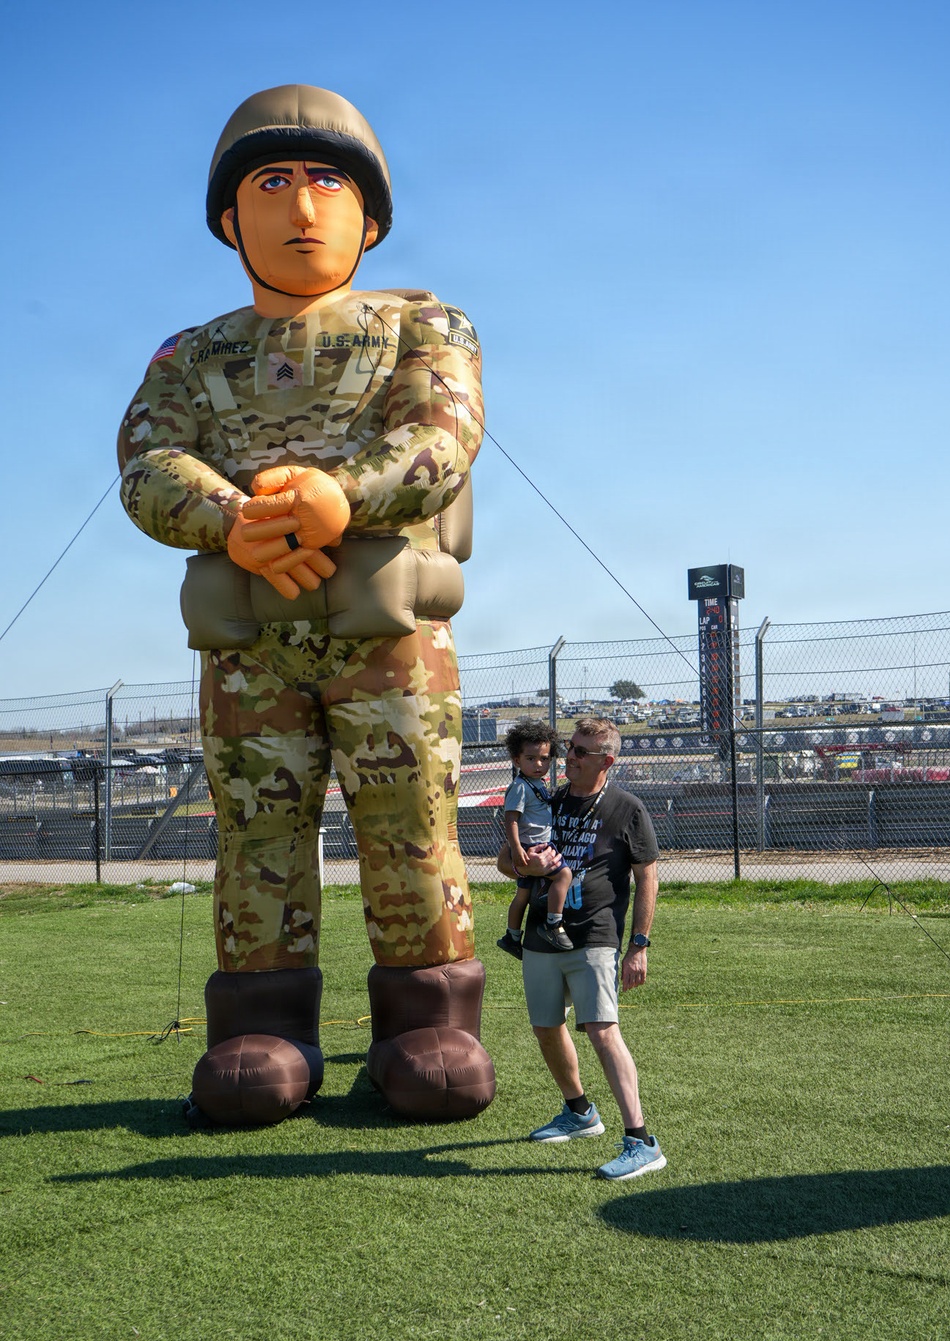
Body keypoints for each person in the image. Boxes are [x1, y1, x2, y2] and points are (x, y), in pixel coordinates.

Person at [118, 84, 494, 1126]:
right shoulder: (190, 355)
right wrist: (230, 517)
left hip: (390, 643)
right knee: (254, 832)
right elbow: (146, 459)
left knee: (410, 824)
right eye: (270, 182)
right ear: (230, 220)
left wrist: (343, 496)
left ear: (369, 217)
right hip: (251, 646)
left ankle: (430, 1023)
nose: (301, 206)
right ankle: (262, 1026)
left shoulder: (421, 322)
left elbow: (441, 435)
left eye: (327, 180)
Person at [498, 716, 665, 1181]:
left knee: (601, 1030)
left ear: (605, 761)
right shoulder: (544, 799)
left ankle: (641, 1141)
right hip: (541, 934)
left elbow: (647, 876)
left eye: (577, 751)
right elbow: (503, 865)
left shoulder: (626, 808)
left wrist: (639, 944)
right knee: (546, 1027)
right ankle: (580, 1112)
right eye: (567, 748)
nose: (564, 757)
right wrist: (524, 865)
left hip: (594, 934)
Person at [496, 719, 574, 959]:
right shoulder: (520, 786)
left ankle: (511, 936)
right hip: (534, 846)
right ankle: (553, 924)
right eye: (531, 759)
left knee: (523, 895)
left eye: (544, 758)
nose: (539, 764)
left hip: (533, 845)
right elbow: (510, 819)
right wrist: (516, 847)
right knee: (563, 875)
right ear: (516, 760)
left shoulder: (536, 783)